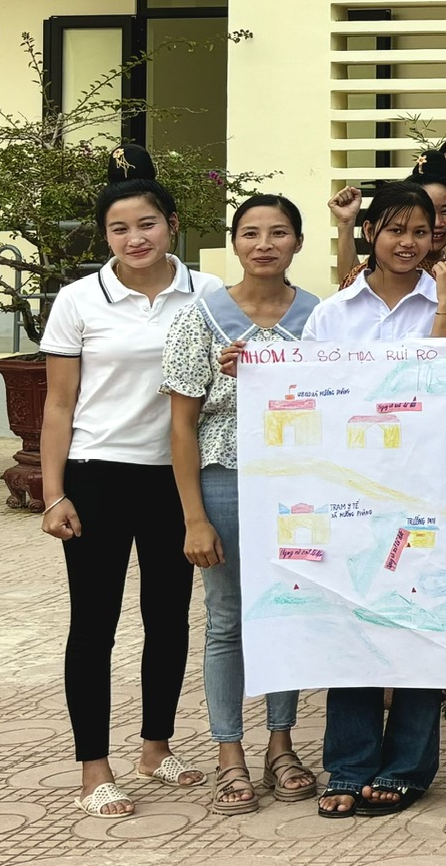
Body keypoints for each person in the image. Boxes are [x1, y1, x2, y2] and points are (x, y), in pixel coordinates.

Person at [41, 164, 222, 819]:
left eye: (147, 224)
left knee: (168, 618)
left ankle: (155, 747)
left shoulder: (207, 292)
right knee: (94, 624)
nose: (134, 238)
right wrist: (54, 493)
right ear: (105, 236)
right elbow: (59, 404)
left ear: (172, 224)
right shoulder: (78, 300)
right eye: (119, 229)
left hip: (176, 476)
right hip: (98, 473)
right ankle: (94, 767)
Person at [306, 182, 446, 818]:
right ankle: (348, 766)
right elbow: (313, 399)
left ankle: (407, 767)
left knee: (419, 625)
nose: (408, 243)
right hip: (352, 491)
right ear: (371, 231)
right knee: (351, 624)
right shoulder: (333, 314)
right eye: (395, 229)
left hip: (430, 487)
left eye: (421, 231)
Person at [165, 192, 321, 817]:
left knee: (286, 611)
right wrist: (193, 518)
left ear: (297, 242)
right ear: (234, 242)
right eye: (251, 233)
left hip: (296, 486)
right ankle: (229, 751)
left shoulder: (318, 317)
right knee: (227, 618)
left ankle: (281, 743)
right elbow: (181, 426)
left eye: (278, 232)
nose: (264, 245)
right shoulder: (200, 317)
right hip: (225, 480)